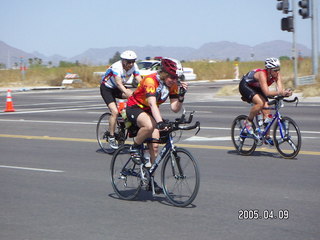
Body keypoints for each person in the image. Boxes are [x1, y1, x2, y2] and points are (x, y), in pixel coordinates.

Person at [125, 57, 188, 194]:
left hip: (149, 110)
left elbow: (175, 108)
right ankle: (134, 147)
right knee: (149, 125)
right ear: (164, 73)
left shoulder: (172, 85)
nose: (175, 80)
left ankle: (149, 179)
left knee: (154, 147)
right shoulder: (150, 80)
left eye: (177, 77)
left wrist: (181, 97)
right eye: (172, 77)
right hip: (135, 107)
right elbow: (153, 104)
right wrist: (159, 123)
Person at [239, 57, 292, 145]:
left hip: (257, 88)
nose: (277, 72)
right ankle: (248, 122)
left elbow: (280, 90)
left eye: (278, 69)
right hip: (246, 85)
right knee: (260, 103)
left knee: (267, 109)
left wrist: (285, 94)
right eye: (275, 70)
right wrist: (281, 93)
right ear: (269, 70)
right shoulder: (262, 74)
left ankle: (267, 137)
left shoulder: (277, 75)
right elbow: (267, 93)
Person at [100, 50, 142, 149]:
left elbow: (140, 80)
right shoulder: (116, 67)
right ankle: (111, 136)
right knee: (114, 111)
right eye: (128, 62)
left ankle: (125, 118)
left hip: (118, 87)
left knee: (135, 97)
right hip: (107, 89)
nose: (131, 64)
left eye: (133, 61)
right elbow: (119, 84)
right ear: (123, 61)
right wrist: (127, 92)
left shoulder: (134, 66)